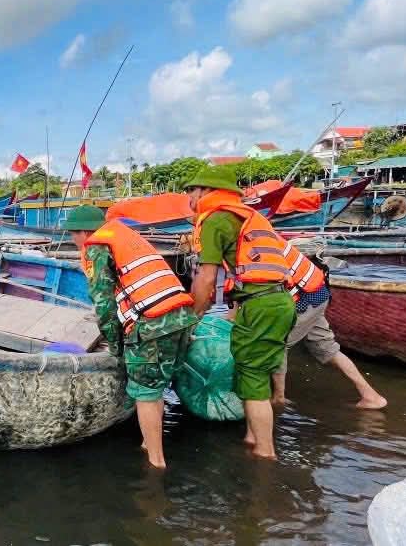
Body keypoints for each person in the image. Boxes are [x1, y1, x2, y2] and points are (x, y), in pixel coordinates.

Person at [63, 204, 196, 469]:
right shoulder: (127, 237)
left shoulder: (96, 246)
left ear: (83, 233)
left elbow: (104, 304)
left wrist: (114, 346)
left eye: (73, 235)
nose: (73, 241)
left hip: (152, 325)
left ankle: (155, 463)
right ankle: (149, 442)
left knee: (145, 393)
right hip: (182, 317)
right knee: (156, 385)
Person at [185, 165, 295, 461]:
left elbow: (206, 279)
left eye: (192, 191)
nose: (190, 198)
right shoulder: (248, 216)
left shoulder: (216, 220)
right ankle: (251, 435)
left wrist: (192, 320)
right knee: (251, 369)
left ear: (207, 191)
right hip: (275, 301)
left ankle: (264, 452)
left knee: (254, 378)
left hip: (261, 305)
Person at [273, 254, 387, 410]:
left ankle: (278, 398)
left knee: (276, 346)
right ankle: (370, 396)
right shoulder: (267, 241)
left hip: (303, 299)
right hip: (316, 292)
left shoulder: (250, 248)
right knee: (326, 346)